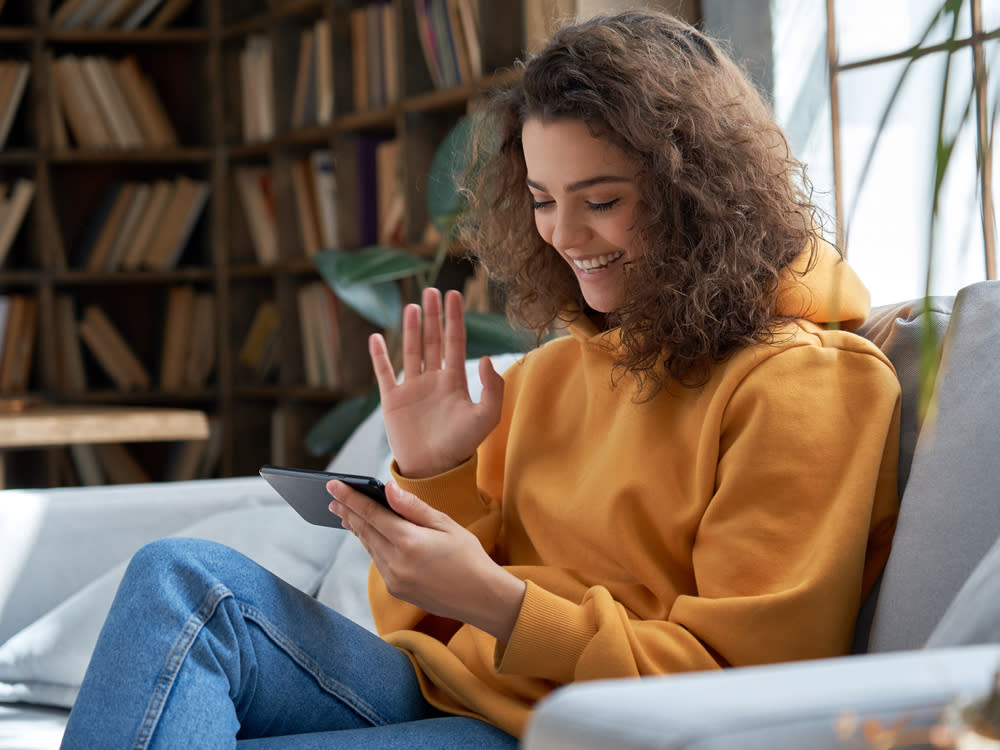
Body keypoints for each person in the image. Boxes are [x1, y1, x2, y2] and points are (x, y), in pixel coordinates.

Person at [60, 9, 901, 749]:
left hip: (571, 734)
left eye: (601, 199)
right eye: (541, 198)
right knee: (182, 581)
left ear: (701, 192)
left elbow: (741, 691)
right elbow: (416, 628)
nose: (566, 236)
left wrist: (504, 606)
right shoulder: (553, 371)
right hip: (441, 694)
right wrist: (436, 475)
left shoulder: (806, 386)